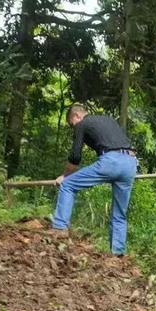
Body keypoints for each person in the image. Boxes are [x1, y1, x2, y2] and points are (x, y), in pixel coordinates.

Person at [51, 104, 137, 255]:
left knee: (67, 185)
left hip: (111, 161)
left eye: (72, 124)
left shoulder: (82, 124)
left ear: (76, 116)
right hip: (130, 163)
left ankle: (59, 229)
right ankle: (118, 254)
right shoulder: (108, 120)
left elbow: (75, 157)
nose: (74, 127)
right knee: (119, 214)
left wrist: (64, 176)